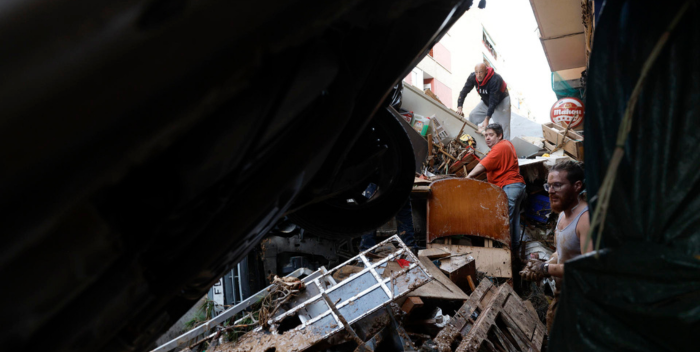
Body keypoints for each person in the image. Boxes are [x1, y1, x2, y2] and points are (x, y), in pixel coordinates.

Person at [519, 160, 592, 333]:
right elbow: (562, 252)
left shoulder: (586, 220)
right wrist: (543, 263)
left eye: (557, 185)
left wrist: (545, 268)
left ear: (577, 186)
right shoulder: (563, 214)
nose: (551, 191)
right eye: (549, 186)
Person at [466, 123, 526, 252]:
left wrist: (469, 177)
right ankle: (513, 252)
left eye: (491, 135)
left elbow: (483, 165)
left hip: (509, 186)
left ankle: (504, 251)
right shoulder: (506, 144)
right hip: (516, 186)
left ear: (499, 135)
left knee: (504, 221)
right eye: (486, 135)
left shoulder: (500, 147)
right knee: (513, 220)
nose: (487, 138)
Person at [456, 63, 511, 140]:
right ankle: (472, 140)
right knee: (473, 115)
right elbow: (464, 91)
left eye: (481, 72)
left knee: (503, 129)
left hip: (501, 101)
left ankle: (505, 148)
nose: (478, 75)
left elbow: (493, 101)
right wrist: (459, 107)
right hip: (486, 101)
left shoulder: (495, 79)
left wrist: (487, 119)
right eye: (476, 72)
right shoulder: (473, 77)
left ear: (486, 71)